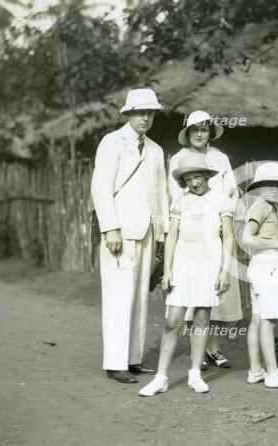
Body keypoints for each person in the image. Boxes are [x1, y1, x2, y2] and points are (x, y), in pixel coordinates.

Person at [139, 152, 234, 396]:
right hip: (183, 262)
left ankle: (195, 374)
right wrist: (168, 269)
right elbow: (172, 237)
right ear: (184, 181)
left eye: (198, 177)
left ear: (206, 176)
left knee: (202, 320)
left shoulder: (222, 199)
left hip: (208, 263)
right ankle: (161, 378)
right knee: (173, 321)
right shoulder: (180, 200)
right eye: (189, 178)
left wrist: (225, 271)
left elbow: (229, 238)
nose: (194, 182)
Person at [91, 88, 169, 383]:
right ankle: (115, 362)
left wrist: (161, 231)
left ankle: (133, 358)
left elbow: (161, 193)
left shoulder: (155, 150)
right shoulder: (112, 142)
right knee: (118, 294)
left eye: (150, 113)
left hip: (147, 230)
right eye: (140, 112)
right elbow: (100, 187)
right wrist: (110, 227)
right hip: (120, 231)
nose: (145, 118)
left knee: (140, 297)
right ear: (128, 114)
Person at [168, 110, 242, 370]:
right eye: (194, 129)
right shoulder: (178, 159)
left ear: (210, 131)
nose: (199, 134)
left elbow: (232, 189)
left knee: (217, 290)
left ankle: (213, 348)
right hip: (191, 230)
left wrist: (225, 217)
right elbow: (175, 194)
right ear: (187, 133)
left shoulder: (220, 159)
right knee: (189, 291)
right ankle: (194, 353)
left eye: (204, 129)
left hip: (217, 226)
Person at [241, 162, 278, 389]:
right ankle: (273, 373)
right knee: (268, 319)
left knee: (258, 318)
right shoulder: (261, 206)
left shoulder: (268, 207)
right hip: (267, 266)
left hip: (264, 264)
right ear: (258, 187)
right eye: (270, 184)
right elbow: (247, 238)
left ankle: (255, 370)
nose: (276, 188)